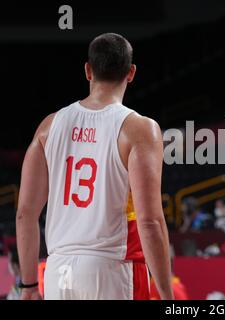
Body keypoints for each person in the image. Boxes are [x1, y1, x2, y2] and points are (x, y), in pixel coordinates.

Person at [15, 33, 173, 300]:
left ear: (88, 71)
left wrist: (29, 286)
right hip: (112, 267)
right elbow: (150, 221)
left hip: (58, 270)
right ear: (131, 72)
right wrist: (168, 296)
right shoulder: (139, 129)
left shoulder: (49, 126)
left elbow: (25, 214)